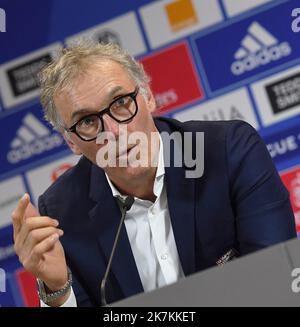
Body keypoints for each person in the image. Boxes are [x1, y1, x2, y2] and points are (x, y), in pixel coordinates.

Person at [11, 42, 296, 307]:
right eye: (87, 121)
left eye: (121, 102)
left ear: (147, 97)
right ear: (71, 142)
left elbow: (274, 279)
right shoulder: (62, 212)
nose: (114, 132)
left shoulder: (228, 151)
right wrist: (58, 287)